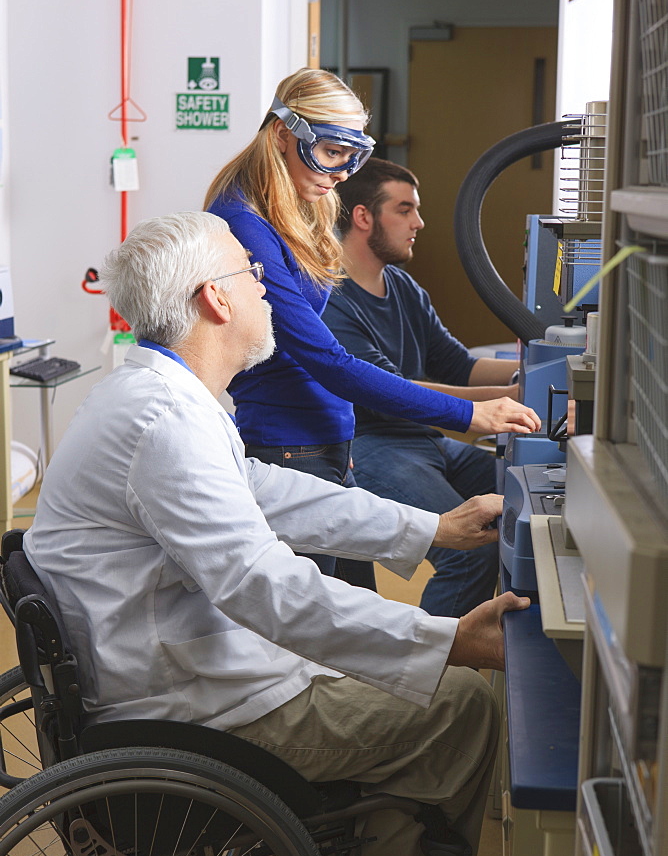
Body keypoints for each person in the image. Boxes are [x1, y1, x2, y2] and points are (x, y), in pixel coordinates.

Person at [24, 212, 530, 856]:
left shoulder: (163, 396)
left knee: (398, 673)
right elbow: (259, 585)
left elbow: (268, 494)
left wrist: (432, 530)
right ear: (214, 300)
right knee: (455, 708)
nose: (268, 285)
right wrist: (447, 639)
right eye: (250, 273)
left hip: (183, 669)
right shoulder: (165, 420)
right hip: (187, 707)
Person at [204, 68, 540, 585]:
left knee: (348, 614)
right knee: (314, 629)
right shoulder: (244, 219)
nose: (340, 172)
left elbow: (445, 361)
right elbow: (330, 365)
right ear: (281, 135)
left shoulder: (296, 209)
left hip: (331, 442)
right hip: (290, 447)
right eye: (331, 152)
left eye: (352, 155)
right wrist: (467, 414)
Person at [323, 158, 521, 618]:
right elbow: (391, 390)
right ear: (363, 217)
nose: (419, 223)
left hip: (427, 442)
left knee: (522, 501)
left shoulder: (403, 288)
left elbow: (459, 364)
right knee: (469, 550)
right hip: (373, 447)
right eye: (405, 209)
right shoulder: (331, 297)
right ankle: (434, 677)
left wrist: (534, 367)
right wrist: (508, 400)